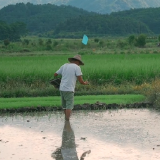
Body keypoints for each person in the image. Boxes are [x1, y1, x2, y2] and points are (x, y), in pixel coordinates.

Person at [54, 55, 89, 121]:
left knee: (64, 105)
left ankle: (66, 119)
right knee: (69, 105)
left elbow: (55, 74)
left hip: (62, 88)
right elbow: (80, 81)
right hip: (69, 89)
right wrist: (85, 83)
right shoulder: (76, 67)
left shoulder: (64, 65)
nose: (79, 65)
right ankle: (67, 121)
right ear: (77, 61)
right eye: (79, 63)